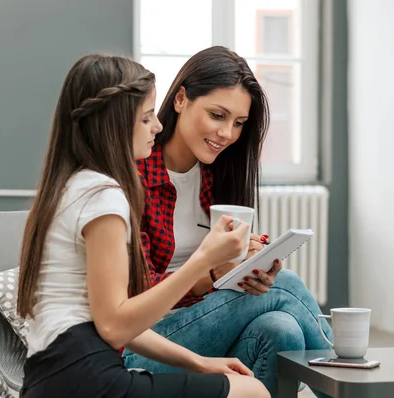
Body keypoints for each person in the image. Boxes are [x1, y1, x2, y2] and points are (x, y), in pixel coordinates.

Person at [16, 53, 270, 398]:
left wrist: (199, 362)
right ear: (115, 123)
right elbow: (115, 326)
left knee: (270, 342)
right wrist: (204, 261)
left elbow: (113, 321)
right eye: (147, 117)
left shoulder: (76, 186)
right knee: (252, 390)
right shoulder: (105, 196)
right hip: (84, 374)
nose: (158, 126)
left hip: (57, 374)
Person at [123, 46, 333, 397]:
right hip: (142, 344)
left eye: (238, 123)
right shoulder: (134, 173)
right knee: (289, 288)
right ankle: (355, 387)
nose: (227, 134)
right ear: (180, 99)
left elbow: (225, 272)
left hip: (207, 326)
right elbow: (136, 293)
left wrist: (254, 267)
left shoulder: (218, 175)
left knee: (281, 329)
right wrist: (210, 277)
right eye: (217, 115)